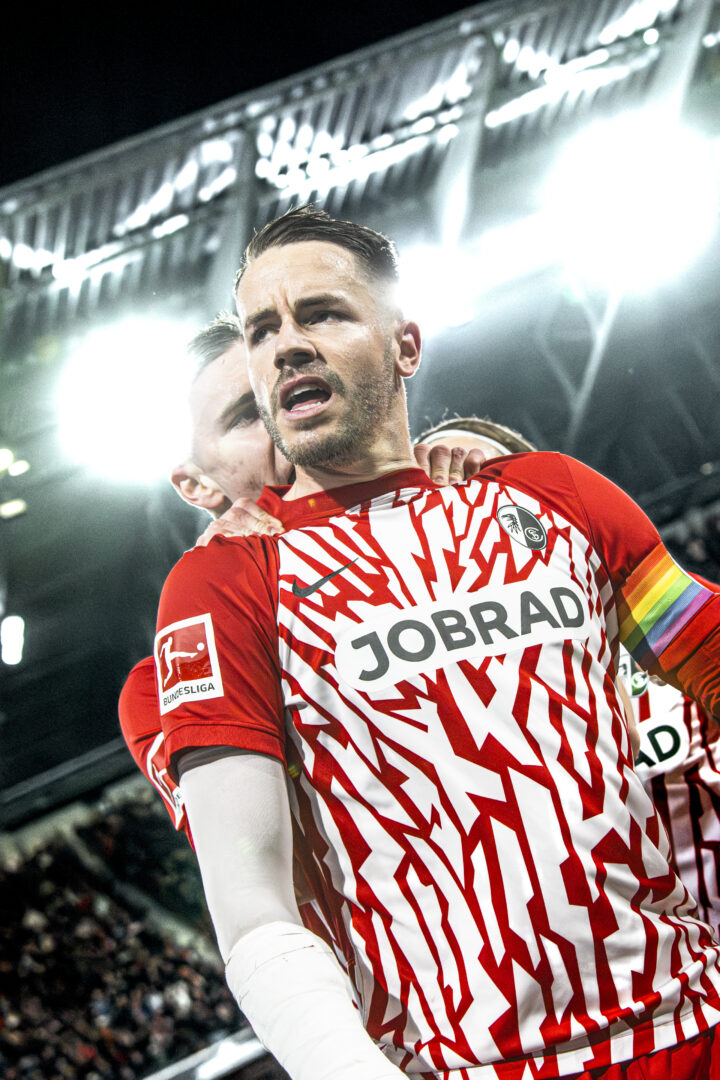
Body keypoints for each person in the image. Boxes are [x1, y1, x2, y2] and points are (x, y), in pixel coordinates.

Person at [144, 207, 720, 1080]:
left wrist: (485, 455)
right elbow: (254, 903)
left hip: (695, 1025)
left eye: (321, 314)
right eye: (263, 330)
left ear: (406, 345)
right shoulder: (224, 588)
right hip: (469, 1064)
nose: (288, 345)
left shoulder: (553, 494)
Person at [119, 317, 484, 838]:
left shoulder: (458, 505)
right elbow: (248, 848)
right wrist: (222, 597)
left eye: (280, 389)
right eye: (247, 415)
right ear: (195, 483)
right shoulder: (160, 687)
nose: (281, 412)